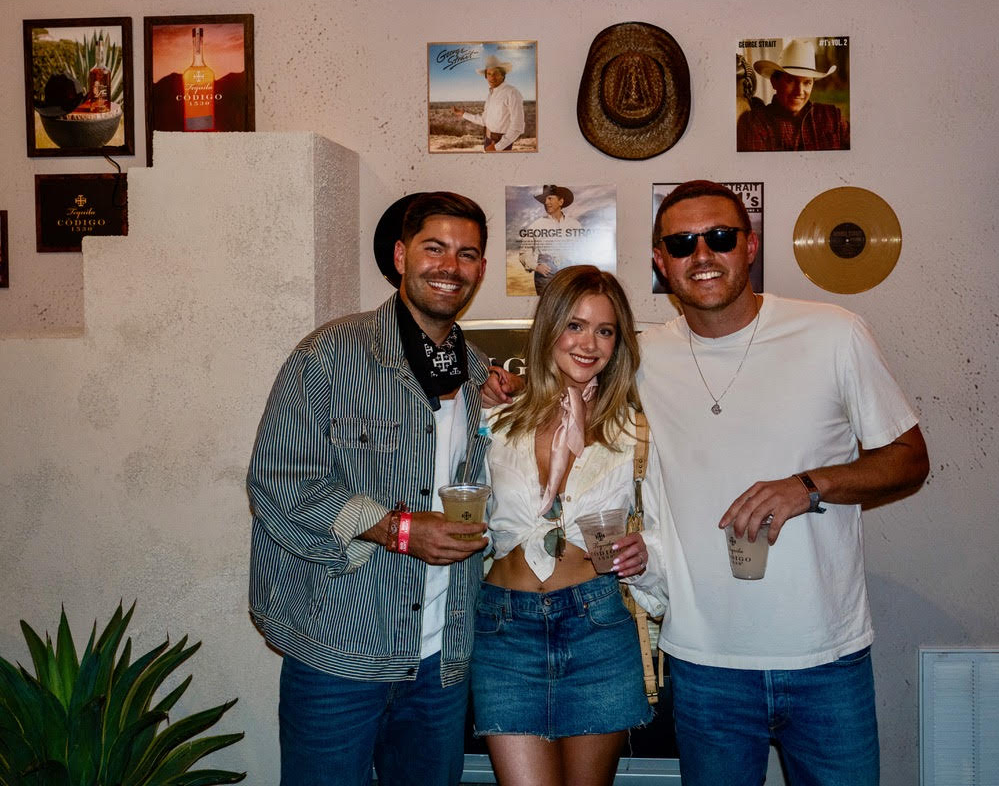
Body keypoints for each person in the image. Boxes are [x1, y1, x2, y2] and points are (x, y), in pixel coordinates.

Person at [641, 180, 929, 786]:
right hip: (702, 659)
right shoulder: (641, 358)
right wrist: (489, 382)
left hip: (826, 656)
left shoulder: (833, 333)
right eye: (683, 241)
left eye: (720, 237)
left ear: (750, 246)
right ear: (660, 260)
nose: (703, 254)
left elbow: (909, 459)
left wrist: (809, 485)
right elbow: (554, 384)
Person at [247, 191, 494, 786]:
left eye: (467, 254)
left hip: (440, 663)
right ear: (402, 254)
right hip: (339, 651)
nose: (449, 266)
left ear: (481, 270)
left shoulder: (480, 371)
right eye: (434, 248)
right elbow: (278, 481)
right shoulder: (329, 355)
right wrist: (400, 529)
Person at [471, 264, 664, 786]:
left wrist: (646, 552)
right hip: (503, 628)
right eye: (574, 325)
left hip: (597, 625)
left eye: (605, 330)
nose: (589, 343)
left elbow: (669, 524)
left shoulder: (636, 430)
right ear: (548, 328)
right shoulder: (495, 420)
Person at [737, 38, 849, 151]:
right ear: (774, 82)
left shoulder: (833, 117)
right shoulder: (757, 124)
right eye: (790, 81)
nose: (799, 91)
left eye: (807, 82)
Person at [518, 185, 583, 295]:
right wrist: (536, 266)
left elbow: (582, 251)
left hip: (568, 273)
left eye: (550, 198)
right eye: (544, 200)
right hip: (545, 275)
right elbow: (524, 253)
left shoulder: (575, 225)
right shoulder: (535, 226)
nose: (546, 202)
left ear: (561, 201)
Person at [453, 54, 525, 152]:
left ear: (503, 75)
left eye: (496, 73)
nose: (492, 77)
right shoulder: (491, 94)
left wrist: (497, 147)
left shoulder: (512, 92)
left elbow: (517, 126)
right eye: (489, 74)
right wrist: (463, 114)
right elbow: (484, 120)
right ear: (486, 76)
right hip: (488, 140)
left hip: (500, 143)